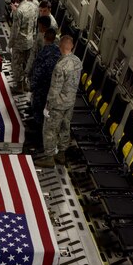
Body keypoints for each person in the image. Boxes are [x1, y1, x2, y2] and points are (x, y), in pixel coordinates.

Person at [34, 35, 83, 167]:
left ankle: (49, 157)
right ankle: (61, 154)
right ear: (71, 46)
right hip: (70, 102)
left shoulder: (60, 66)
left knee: (50, 129)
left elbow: (55, 89)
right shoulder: (78, 61)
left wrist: (48, 106)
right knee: (65, 128)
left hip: (58, 104)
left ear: (60, 47)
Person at [9, 0, 39, 93]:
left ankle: (19, 86)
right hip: (30, 41)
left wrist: (10, 44)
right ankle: (25, 84)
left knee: (17, 63)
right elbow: (35, 24)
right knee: (26, 64)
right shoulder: (33, 6)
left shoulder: (19, 11)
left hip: (20, 43)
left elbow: (15, 30)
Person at [30, 27, 61, 128]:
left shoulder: (43, 53)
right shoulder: (59, 52)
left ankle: (38, 127)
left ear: (45, 38)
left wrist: (32, 85)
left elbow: (38, 71)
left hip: (42, 86)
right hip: (54, 87)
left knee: (38, 106)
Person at [26, 14, 52, 78]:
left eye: (39, 26)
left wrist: (28, 70)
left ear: (43, 27)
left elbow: (34, 53)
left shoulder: (41, 38)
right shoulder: (53, 36)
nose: (38, 27)